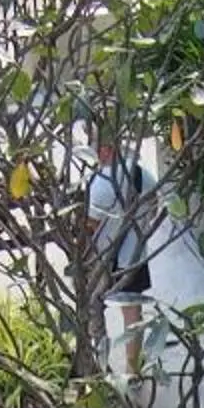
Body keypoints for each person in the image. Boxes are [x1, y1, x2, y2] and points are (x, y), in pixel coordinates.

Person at [84, 138, 154, 376]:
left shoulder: (100, 183)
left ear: (106, 149)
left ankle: (101, 366)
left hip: (105, 257)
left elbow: (90, 224)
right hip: (134, 256)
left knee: (95, 310)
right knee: (133, 314)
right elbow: (153, 208)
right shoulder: (142, 174)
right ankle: (134, 370)